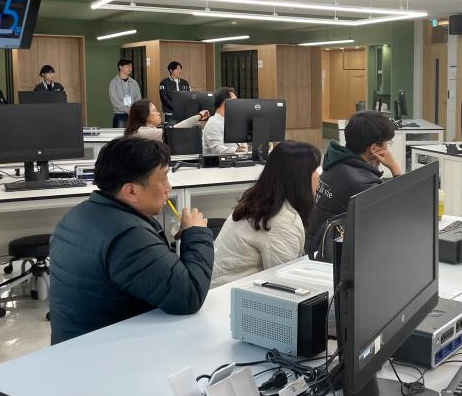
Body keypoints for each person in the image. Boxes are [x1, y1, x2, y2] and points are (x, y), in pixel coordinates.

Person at [48, 136, 214, 344]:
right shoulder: (129, 237)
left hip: (72, 345)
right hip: (105, 353)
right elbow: (189, 296)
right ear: (132, 191)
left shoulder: (78, 214)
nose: (168, 187)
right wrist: (196, 233)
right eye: (163, 179)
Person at [211, 141, 321, 288]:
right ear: (299, 177)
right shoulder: (280, 220)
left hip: (224, 289)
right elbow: (286, 284)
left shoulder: (262, 200)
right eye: (314, 170)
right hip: (230, 296)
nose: (319, 176)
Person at [305, 111, 402, 256]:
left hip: (317, 246)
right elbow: (399, 217)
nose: (388, 148)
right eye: (387, 143)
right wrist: (395, 169)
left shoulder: (333, 163)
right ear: (374, 148)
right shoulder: (364, 184)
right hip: (335, 256)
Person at [124, 99, 209, 142]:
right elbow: (173, 131)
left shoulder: (143, 130)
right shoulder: (143, 132)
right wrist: (199, 116)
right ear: (145, 115)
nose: (158, 113)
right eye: (154, 111)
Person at [202, 87, 247, 155]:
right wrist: (235, 150)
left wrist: (243, 148)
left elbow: (243, 145)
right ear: (224, 102)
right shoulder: (213, 123)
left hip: (237, 160)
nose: (238, 103)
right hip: (217, 161)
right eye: (234, 100)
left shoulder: (234, 122)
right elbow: (217, 149)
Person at [109, 59, 142, 128]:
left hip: (133, 115)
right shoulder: (114, 83)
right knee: (120, 134)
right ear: (120, 67)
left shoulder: (134, 82)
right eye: (127, 66)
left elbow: (138, 98)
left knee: (134, 134)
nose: (130, 68)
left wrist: (134, 109)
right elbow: (115, 100)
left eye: (131, 67)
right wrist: (127, 110)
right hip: (120, 115)